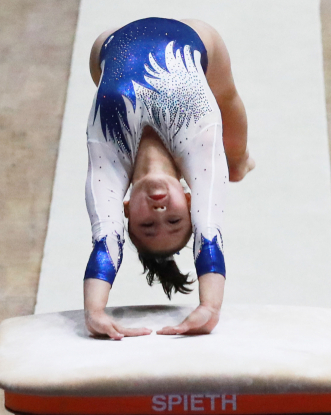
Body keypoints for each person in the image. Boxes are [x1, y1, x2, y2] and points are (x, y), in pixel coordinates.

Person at [83, 17, 254, 340]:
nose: (160, 214)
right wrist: (210, 306)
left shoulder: (108, 156)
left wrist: (94, 312)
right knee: (228, 123)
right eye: (175, 220)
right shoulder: (199, 153)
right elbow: (209, 232)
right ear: (190, 200)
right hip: (200, 40)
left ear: (127, 209)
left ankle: (238, 164)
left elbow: (105, 241)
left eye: (147, 225)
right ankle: (241, 163)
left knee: (228, 157)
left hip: (107, 47)